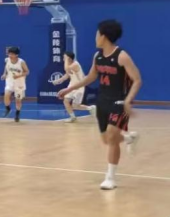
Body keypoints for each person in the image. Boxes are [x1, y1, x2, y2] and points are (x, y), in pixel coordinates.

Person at [59, 20, 142, 190]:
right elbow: (90, 77)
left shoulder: (122, 56)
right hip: (102, 101)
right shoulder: (97, 56)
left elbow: (137, 80)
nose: (95, 37)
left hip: (120, 101)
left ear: (103, 36)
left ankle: (110, 178)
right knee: (107, 139)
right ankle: (129, 138)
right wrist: (68, 89)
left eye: (97, 34)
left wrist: (128, 100)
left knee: (111, 136)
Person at [52, 51, 97, 123]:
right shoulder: (70, 65)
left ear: (69, 59)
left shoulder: (75, 64)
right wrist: (58, 81)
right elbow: (67, 75)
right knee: (66, 101)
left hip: (79, 87)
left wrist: (66, 60)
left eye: (65, 58)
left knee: (75, 106)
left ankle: (90, 108)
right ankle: (73, 117)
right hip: (71, 87)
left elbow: (66, 69)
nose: (63, 59)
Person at [2, 46, 29, 122]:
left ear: (16, 54)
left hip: (19, 83)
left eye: (12, 54)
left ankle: (17, 113)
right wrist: (4, 74)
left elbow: (27, 72)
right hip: (10, 81)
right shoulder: (7, 60)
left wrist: (18, 76)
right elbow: (6, 67)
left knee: (18, 100)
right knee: (6, 95)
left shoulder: (21, 62)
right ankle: (8, 108)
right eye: (9, 54)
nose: (10, 55)